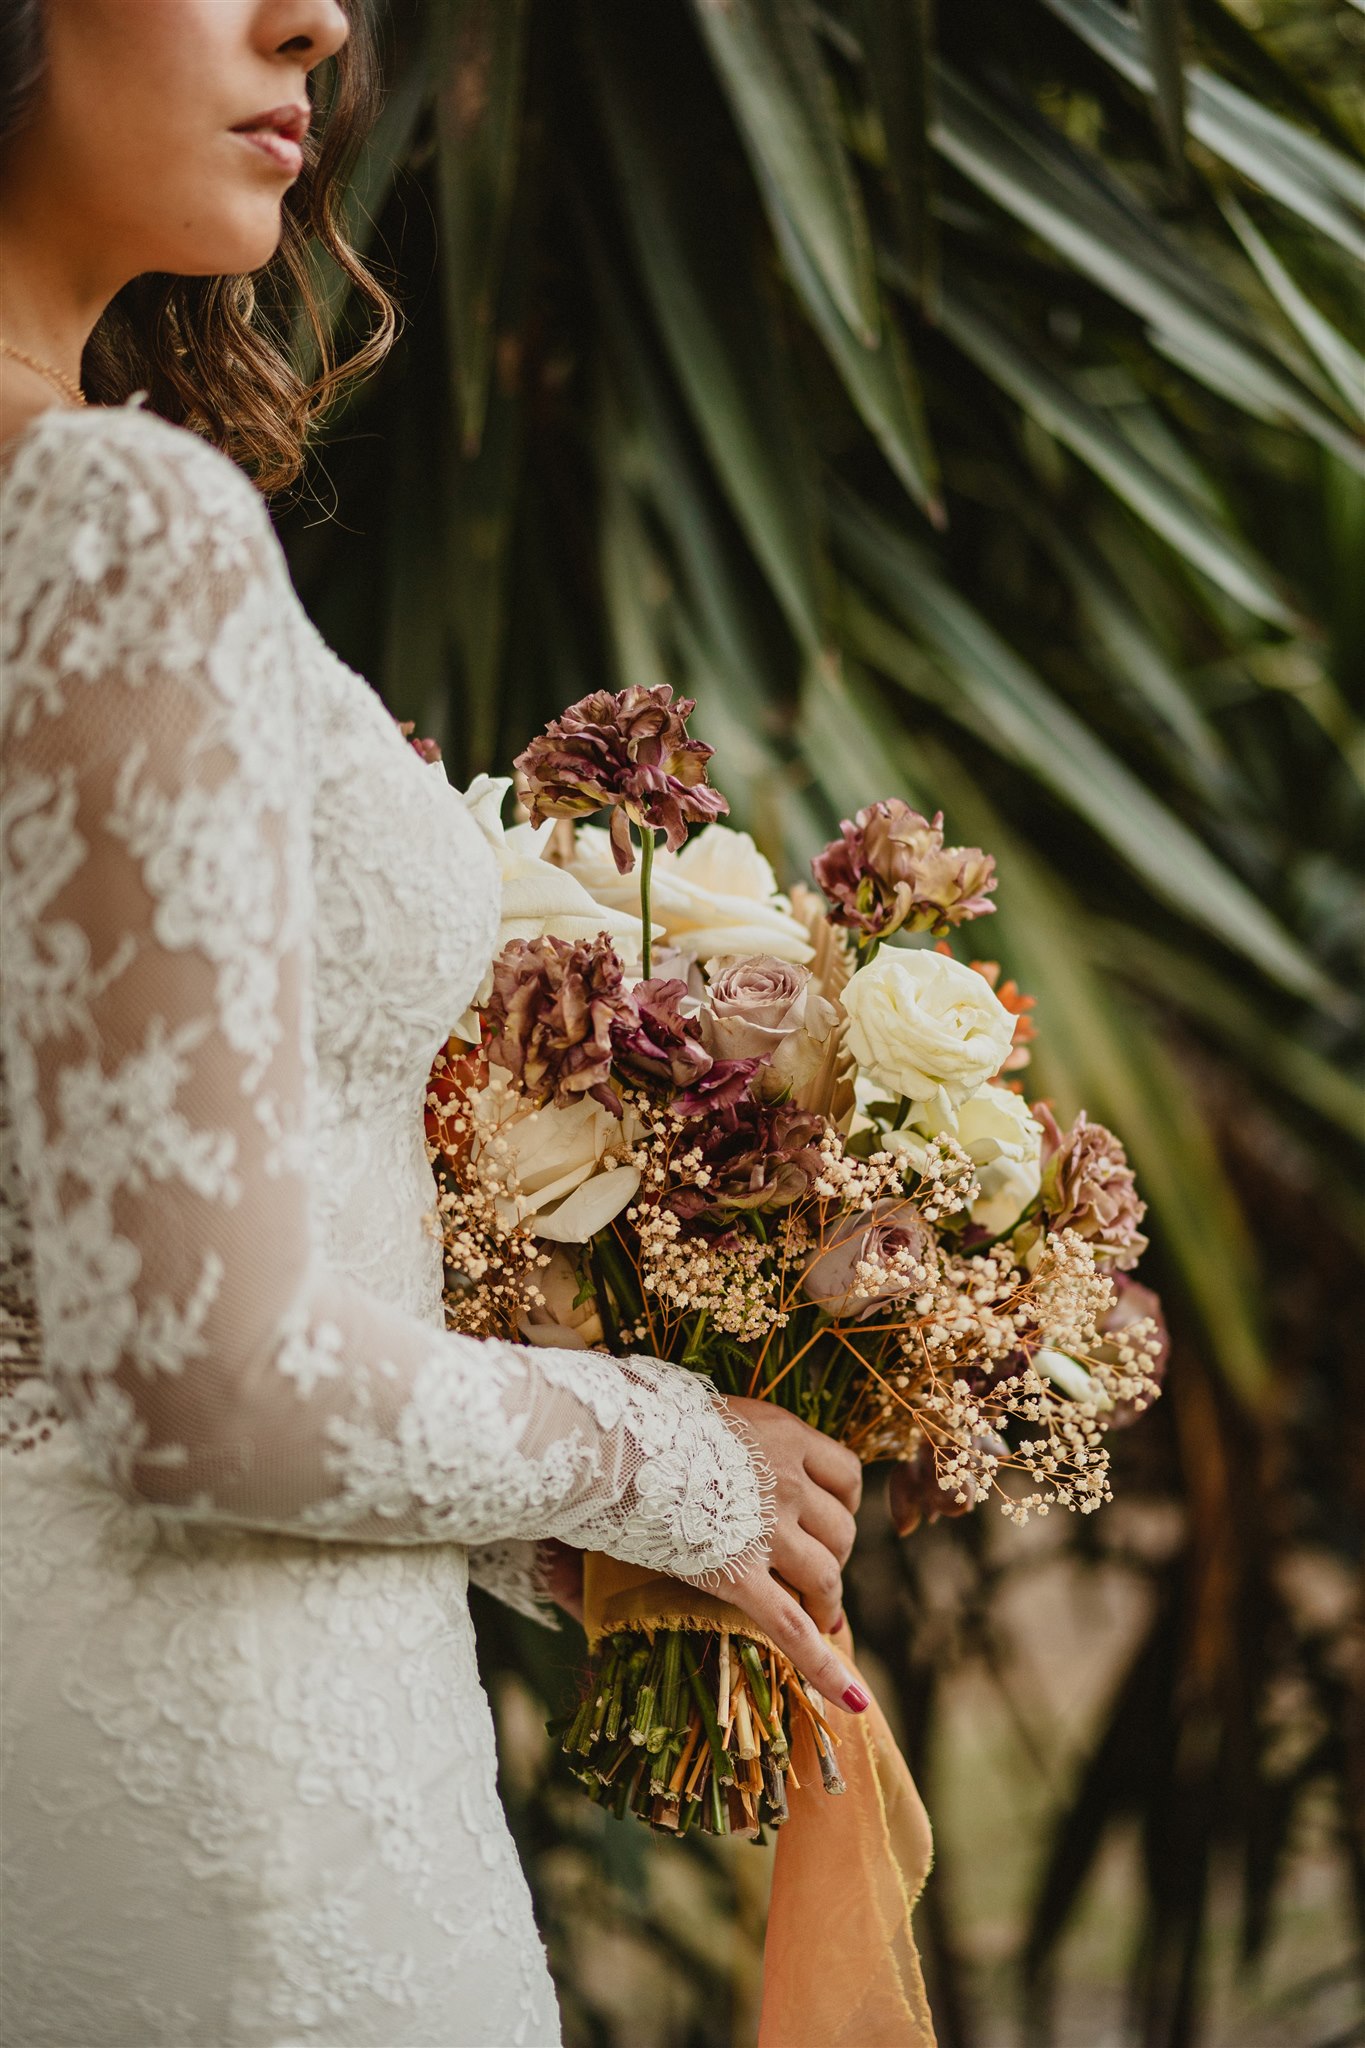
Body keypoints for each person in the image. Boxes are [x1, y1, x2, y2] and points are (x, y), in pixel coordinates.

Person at [0, 5, 869, 2043]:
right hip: (222, 1784)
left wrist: (510, 1499)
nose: (316, 15)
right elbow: (194, 1388)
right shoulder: (111, 522)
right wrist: (668, 1458)